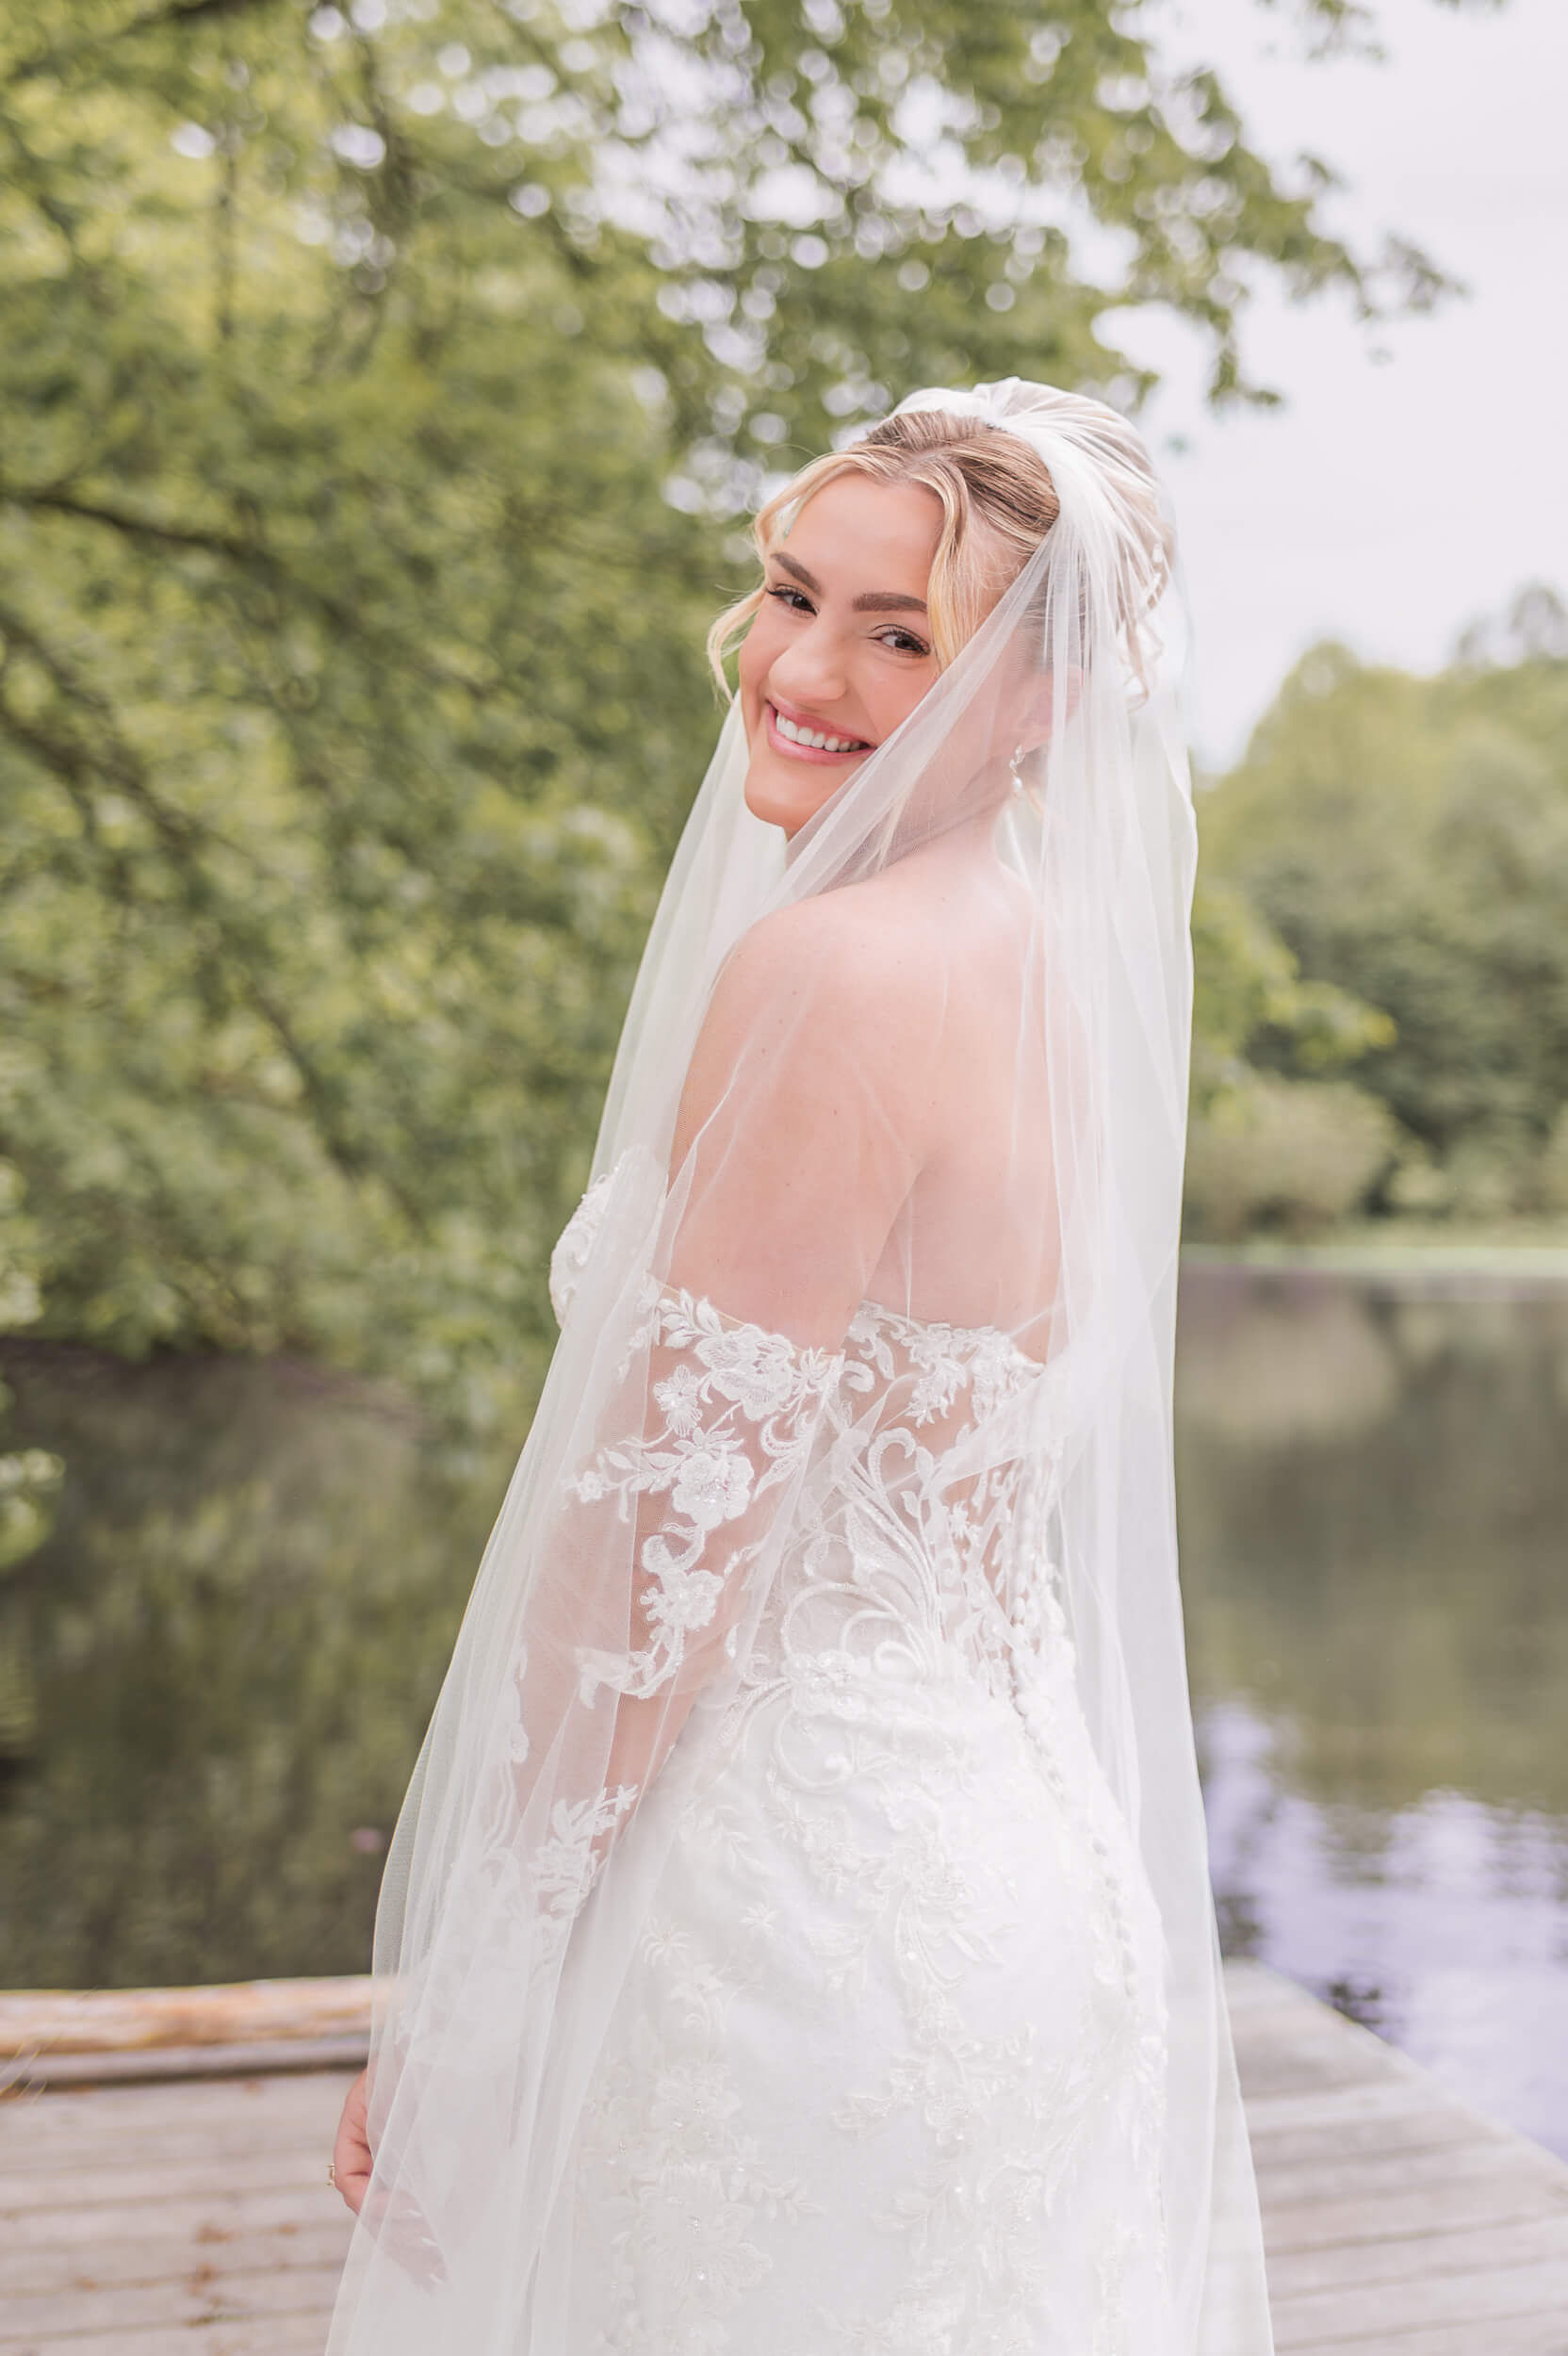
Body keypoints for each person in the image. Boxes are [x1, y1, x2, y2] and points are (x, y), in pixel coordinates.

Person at [326, 379, 1274, 2353]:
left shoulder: (833, 975)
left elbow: (653, 1556)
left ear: (1042, 696)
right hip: (1016, 1880)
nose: (802, 666)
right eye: (789, 592)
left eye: (900, 630)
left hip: (779, 1933)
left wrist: (478, 1998)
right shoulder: (1038, 964)